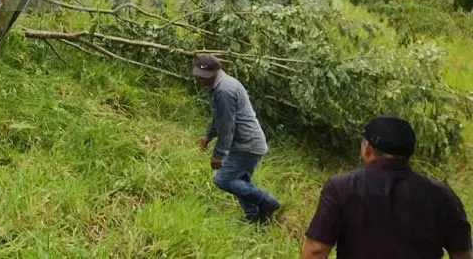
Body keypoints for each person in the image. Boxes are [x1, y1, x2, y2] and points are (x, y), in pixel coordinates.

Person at [301, 116, 472, 259]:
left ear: (367, 149)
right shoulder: (441, 195)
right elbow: (463, 255)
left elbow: (316, 250)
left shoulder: (341, 187)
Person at [194, 53, 281, 223]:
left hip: (246, 145)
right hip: (250, 142)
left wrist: (219, 154)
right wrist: (207, 135)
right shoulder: (224, 84)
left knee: (222, 179)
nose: (200, 81)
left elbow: (227, 127)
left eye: (202, 77)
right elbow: (219, 116)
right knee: (240, 181)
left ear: (216, 71)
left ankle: (267, 201)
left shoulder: (224, 90)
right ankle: (255, 217)